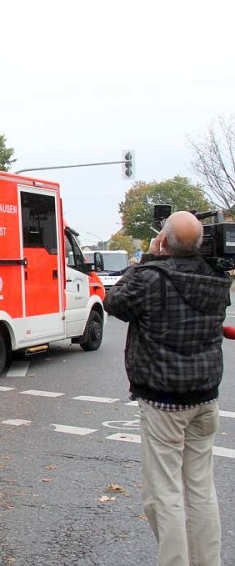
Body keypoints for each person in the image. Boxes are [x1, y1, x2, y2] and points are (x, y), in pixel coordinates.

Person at [103, 211, 231, 566]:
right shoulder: (216, 279)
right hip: (205, 398)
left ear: (163, 241)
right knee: (201, 490)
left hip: (164, 403)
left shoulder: (151, 277)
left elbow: (115, 303)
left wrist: (146, 258)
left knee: (164, 494)